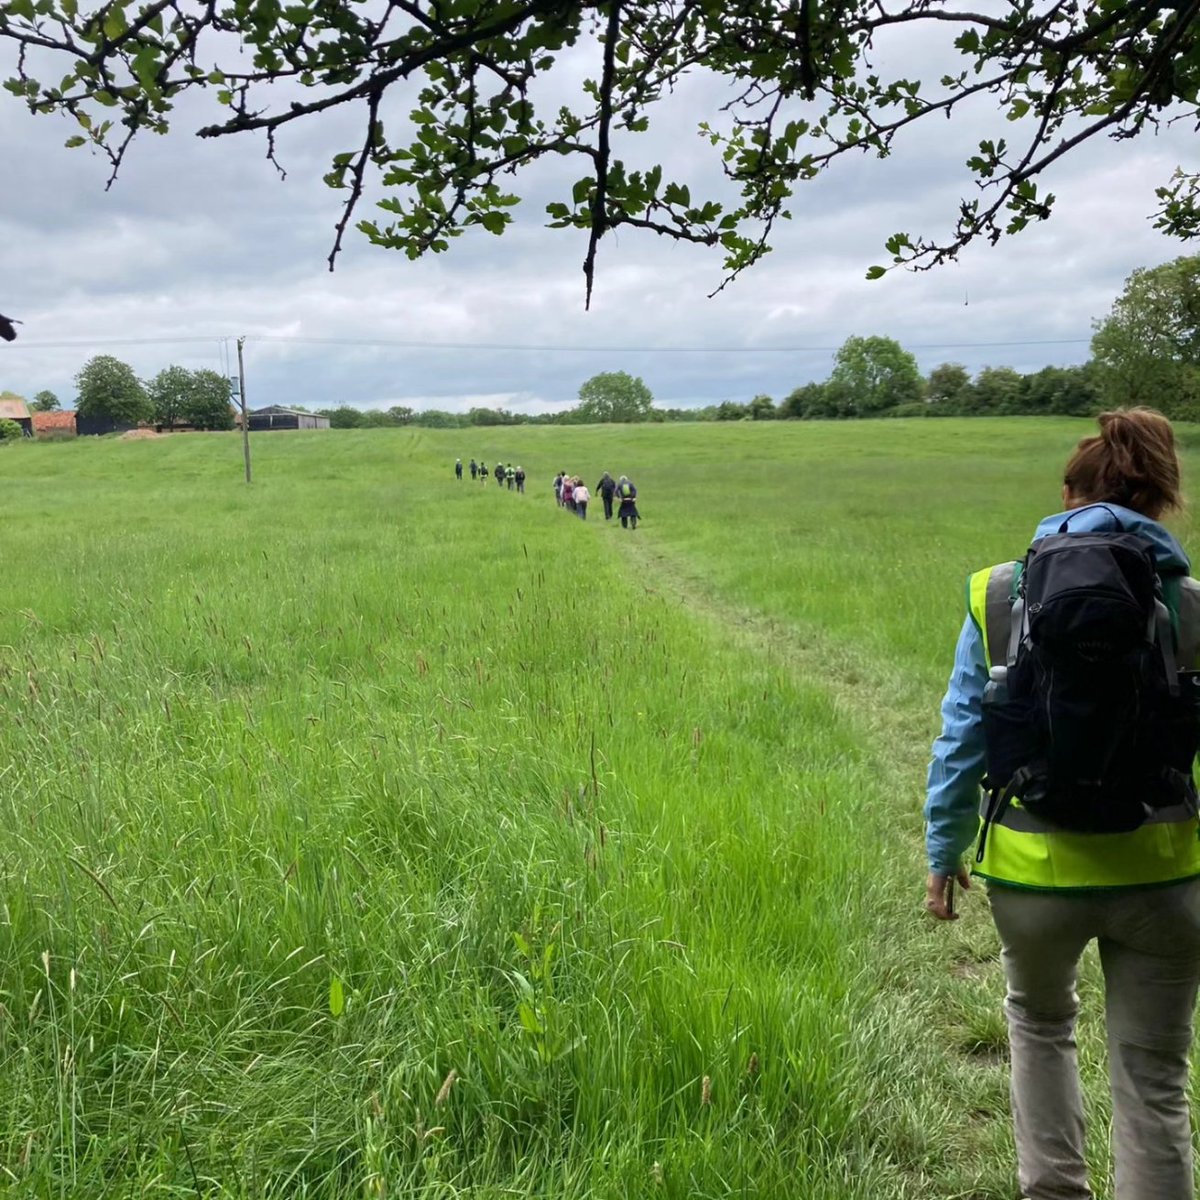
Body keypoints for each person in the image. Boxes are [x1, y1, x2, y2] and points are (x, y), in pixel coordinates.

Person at [924, 407, 1200, 1200]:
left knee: (1041, 1031)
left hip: (1031, 872)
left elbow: (960, 740)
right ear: (1157, 506)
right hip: (1164, 874)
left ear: (1068, 494)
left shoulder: (998, 593)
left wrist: (943, 853)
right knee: (1155, 1078)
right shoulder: (1192, 606)